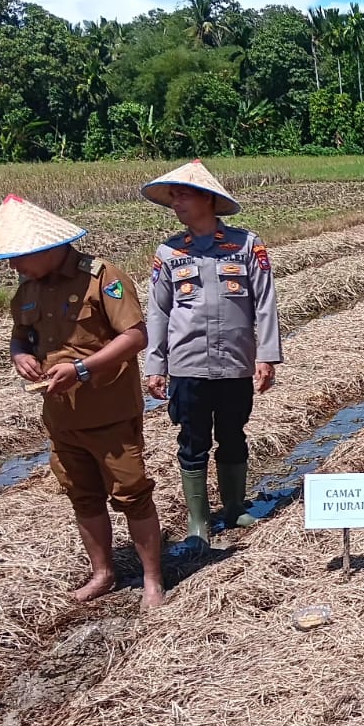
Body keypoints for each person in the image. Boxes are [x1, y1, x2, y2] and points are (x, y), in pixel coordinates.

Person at [0, 194, 165, 607]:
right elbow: (21, 335)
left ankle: (152, 579)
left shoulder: (102, 277)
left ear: (47, 247)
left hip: (109, 411)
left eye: (18, 256)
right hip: (61, 416)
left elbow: (135, 337)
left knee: (131, 493)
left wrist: (82, 370)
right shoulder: (27, 292)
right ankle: (103, 573)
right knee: (82, 494)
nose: (13, 266)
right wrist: (19, 354)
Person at [141, 160, 282, 548]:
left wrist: (266, 355)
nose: (176, 202)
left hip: (235, 361)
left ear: (208, 199)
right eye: (173, 196)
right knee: (192, 440)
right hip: (188, 365)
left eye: (184, 194)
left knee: (233, 434)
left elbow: (265, 303)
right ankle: (198, 520)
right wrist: (156, 364)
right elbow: (159, 310)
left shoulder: (246, 245)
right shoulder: (169, 252)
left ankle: (235, 507)